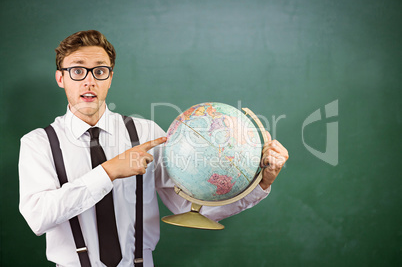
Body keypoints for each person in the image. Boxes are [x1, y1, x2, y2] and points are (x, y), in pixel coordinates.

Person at [19, 30, 289, 267]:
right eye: (77, 70)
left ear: (110, 78)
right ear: (60, 78)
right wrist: (109, 171)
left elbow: (191, 209)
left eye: (100, 71)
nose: (89, 81)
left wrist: (261, 183)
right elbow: (38, 217)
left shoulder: (146, 133)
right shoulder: (38, 143)